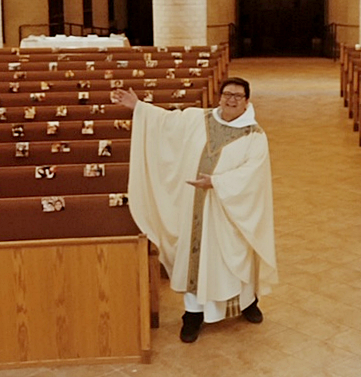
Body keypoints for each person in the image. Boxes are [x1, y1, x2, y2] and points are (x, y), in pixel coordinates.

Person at [113, 77, 277, 343]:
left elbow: (252, 174)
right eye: (227, 94)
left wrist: (217, 182)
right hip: (196, 208)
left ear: (247, 100)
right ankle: (193, 314)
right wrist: (138, 107)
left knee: (236, 257)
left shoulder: (254, 135)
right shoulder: (197, 119)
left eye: (238, 96)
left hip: (232, 212)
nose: (231, 100)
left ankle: (247, 303)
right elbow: (166, 122)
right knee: (196, 257)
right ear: (220, 96)